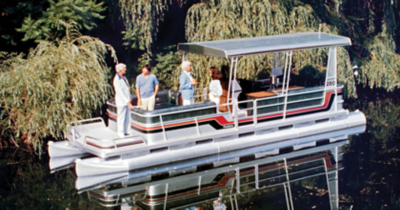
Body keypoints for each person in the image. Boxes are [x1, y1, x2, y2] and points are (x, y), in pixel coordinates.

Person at [113, 63, 133, 138]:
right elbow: (120, 92)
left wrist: (129, 97)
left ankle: (127, 131)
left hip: (127, 100)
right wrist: (126, 101)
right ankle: (120, 132)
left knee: (127, 116)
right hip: (121, 102)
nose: (125, 69)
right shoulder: (117, 79)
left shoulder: (124, 77)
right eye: (124, 68)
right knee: (121, 117)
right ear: (121, 69)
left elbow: (127, 88)